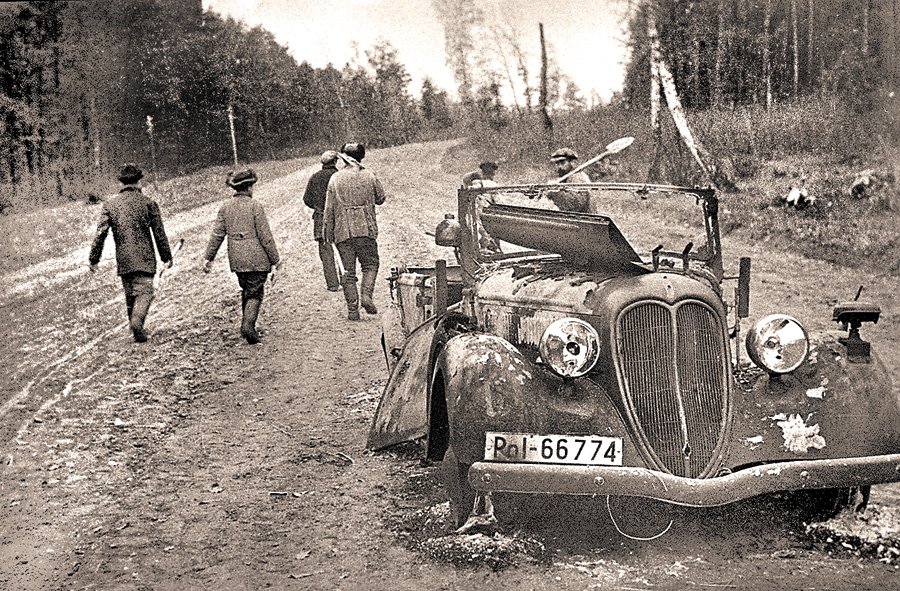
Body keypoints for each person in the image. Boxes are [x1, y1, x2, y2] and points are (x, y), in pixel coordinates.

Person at [89, 163, 173, 343]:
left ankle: (135, 327)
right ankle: (136, 324)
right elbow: (159, 233)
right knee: (144, 292)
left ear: (122, 183)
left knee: (130, 294)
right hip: (144, 258)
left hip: (124, 260)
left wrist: (94, 259)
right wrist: (166, 256)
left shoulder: (110, 205)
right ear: (139, 181)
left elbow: (100, 234)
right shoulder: (148, 203)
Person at [202, 169, 281, 344]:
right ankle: (248, 326)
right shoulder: (255, 206)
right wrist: (276, 260)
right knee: (255, 293)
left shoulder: (225, 207)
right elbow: (265, 237)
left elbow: (217, 235)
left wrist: (208, 257)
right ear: (250, 187)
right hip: (257, 258)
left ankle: (247, 324)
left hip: (237, 259)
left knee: (246, 289)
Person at [324, 143, 386, 321]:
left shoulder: (335, 179)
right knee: (371, 265)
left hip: (343, 232)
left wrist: (328, 233)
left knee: (347, 272)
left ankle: (352, 310)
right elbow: (381, 198)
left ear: (344, 158)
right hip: (366, 230)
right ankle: (366, 296)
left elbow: (329, 210)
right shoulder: (369, 175)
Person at [302, 151, 341, 292]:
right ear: (335, 162)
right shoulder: (338, 176)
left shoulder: (314, 177)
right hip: (338, 217)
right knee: (343, 248)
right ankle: (346, 280)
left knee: (326, 252)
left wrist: (319, 207)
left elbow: (307, 199)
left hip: (320, 217)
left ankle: (332, 284)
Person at [547, 148, 592, 212]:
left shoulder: (577, 177)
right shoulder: (565, 178)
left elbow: (574, 205)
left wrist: (553, 191)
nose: (559, 166)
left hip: (586, 219)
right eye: (557, 163)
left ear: (572, 163)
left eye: (563, 162)